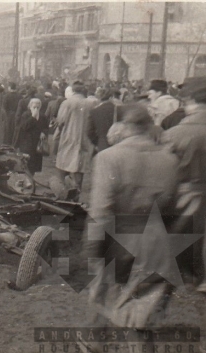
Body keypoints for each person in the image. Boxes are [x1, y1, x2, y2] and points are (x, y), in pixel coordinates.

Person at [82, 103, 179, 353]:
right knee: (141, 314)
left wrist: (93, 246)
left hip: (118, 240)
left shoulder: (109, 157)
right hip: (157, 242)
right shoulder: (169, 159)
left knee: (104, 297)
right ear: (149, 127)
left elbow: (101, 209)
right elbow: (172, 208)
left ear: (125, 127)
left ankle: (93, 345)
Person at [162, 76, 206, 292]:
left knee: (183, 234)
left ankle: (187, 276)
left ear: (190, 102)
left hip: (186, 191)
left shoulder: (175, 133)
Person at [54, 81, 96, 198]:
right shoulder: (91, 104)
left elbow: (60, 121)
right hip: (84, 141)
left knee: (63, 168)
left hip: (68, 138)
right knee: (79, 169)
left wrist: (57, 136)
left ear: (73, 91)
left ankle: (63, 196)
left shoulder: (67, 103)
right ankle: (76, 196)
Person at [12, 98, 49, 176]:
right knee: (27, 161)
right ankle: (25, 179)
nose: (36, 109)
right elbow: (24, 126)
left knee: (35, 162)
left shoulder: (42, 116)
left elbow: (46, 127)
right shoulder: (26, 115)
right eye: (34, 107)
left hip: (37, 142)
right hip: (27, 141)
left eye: (37, 107)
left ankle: (31, 178)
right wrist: (32, 117)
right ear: (30, 106)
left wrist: (43, 132)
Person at [87, 88, 119, 153]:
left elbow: (89, 132)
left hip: (102, 145)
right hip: (117, 144)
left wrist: (97, 142)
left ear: (99, 98)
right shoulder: (119, 109)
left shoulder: (94, 111)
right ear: (111, 97)